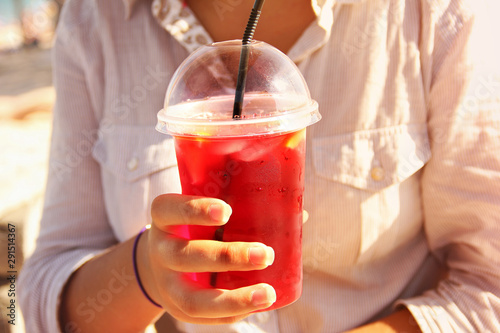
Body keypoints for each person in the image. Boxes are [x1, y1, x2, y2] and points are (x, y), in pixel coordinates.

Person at [18, 0, 500, 332]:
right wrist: (147, 272)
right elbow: (40, 300)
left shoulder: (435, 14)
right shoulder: (95, 20)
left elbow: (489, 287)